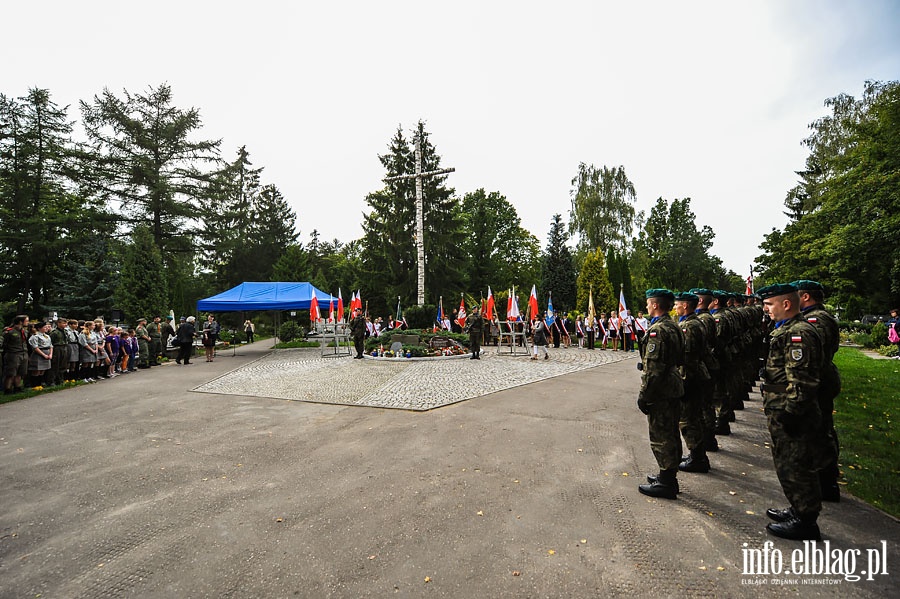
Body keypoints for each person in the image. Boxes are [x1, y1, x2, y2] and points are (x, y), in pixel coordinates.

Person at [757, 283, 826, 541]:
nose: (766, 310)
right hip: (780, 406)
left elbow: (803, 380)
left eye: (770, 304)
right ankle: (798, 508)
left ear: (786, 304)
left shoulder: (799, 333)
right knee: (788, 462)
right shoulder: (788, 329)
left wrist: (792, 412)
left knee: (797, 463)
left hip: (792, 410)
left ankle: (806, 521)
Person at [793, 280, 842, 502]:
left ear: (805, 297)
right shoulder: (815, 317)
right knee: (820, 429)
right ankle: (824, 479)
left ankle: (826, 482)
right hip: (819, 378)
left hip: (819, 380)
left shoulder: (816, 319)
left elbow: (815, 352)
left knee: (820, 431)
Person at [637, 289, 685, 500]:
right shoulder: (673, 325)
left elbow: (654, 369)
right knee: (672, 432)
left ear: (655, 305)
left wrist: (644, 395)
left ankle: (667, 482)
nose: (647, 306)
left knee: (661, 435)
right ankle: (667, 475)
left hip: (662, 389)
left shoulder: (658, 331)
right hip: (673, 385)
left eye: (648, 303)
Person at [673, 292, 712, 474]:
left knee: (689, 419)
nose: (675, 307)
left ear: (686, 306)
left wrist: (683, 383)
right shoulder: (696, 322)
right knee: (694, 417)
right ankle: (697, 454)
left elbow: (687, 357)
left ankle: (698, 458)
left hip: (690, 376)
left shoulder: (690, 326)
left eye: (677, 304)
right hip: (697, 374)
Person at [3, 315, 29, 394]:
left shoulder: (24, 331)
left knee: (20, 373)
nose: (28, 323)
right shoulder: (10, 331)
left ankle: (18, 387)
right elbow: (4, 343)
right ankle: (8, 389)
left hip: (23, 353)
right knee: (11, 373)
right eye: (26, 321)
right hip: (13, 354)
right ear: (20, 322)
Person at [27, 321, 53, 388]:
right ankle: (35, 385)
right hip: (39, 353)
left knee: (43, 370)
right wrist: (44, 355)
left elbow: (51, 346)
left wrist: (50, 354)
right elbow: (35, 347)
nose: (46, 328)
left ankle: (40, 384)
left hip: (47, 352)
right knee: (37, 370)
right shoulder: (35, 336)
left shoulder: (47, 336)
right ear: (39, 328)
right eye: (44, 327)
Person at [49, 318, 70, 386]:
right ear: (58, 323)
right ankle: (52, 381)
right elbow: (51, 342)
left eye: (66, 323)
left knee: (63, 364)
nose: (65, 325)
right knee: (55, 364)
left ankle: (60, 379)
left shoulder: (65, 331)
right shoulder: (54, 332)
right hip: (57, 348)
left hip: (64, 347)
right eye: (63, 323)